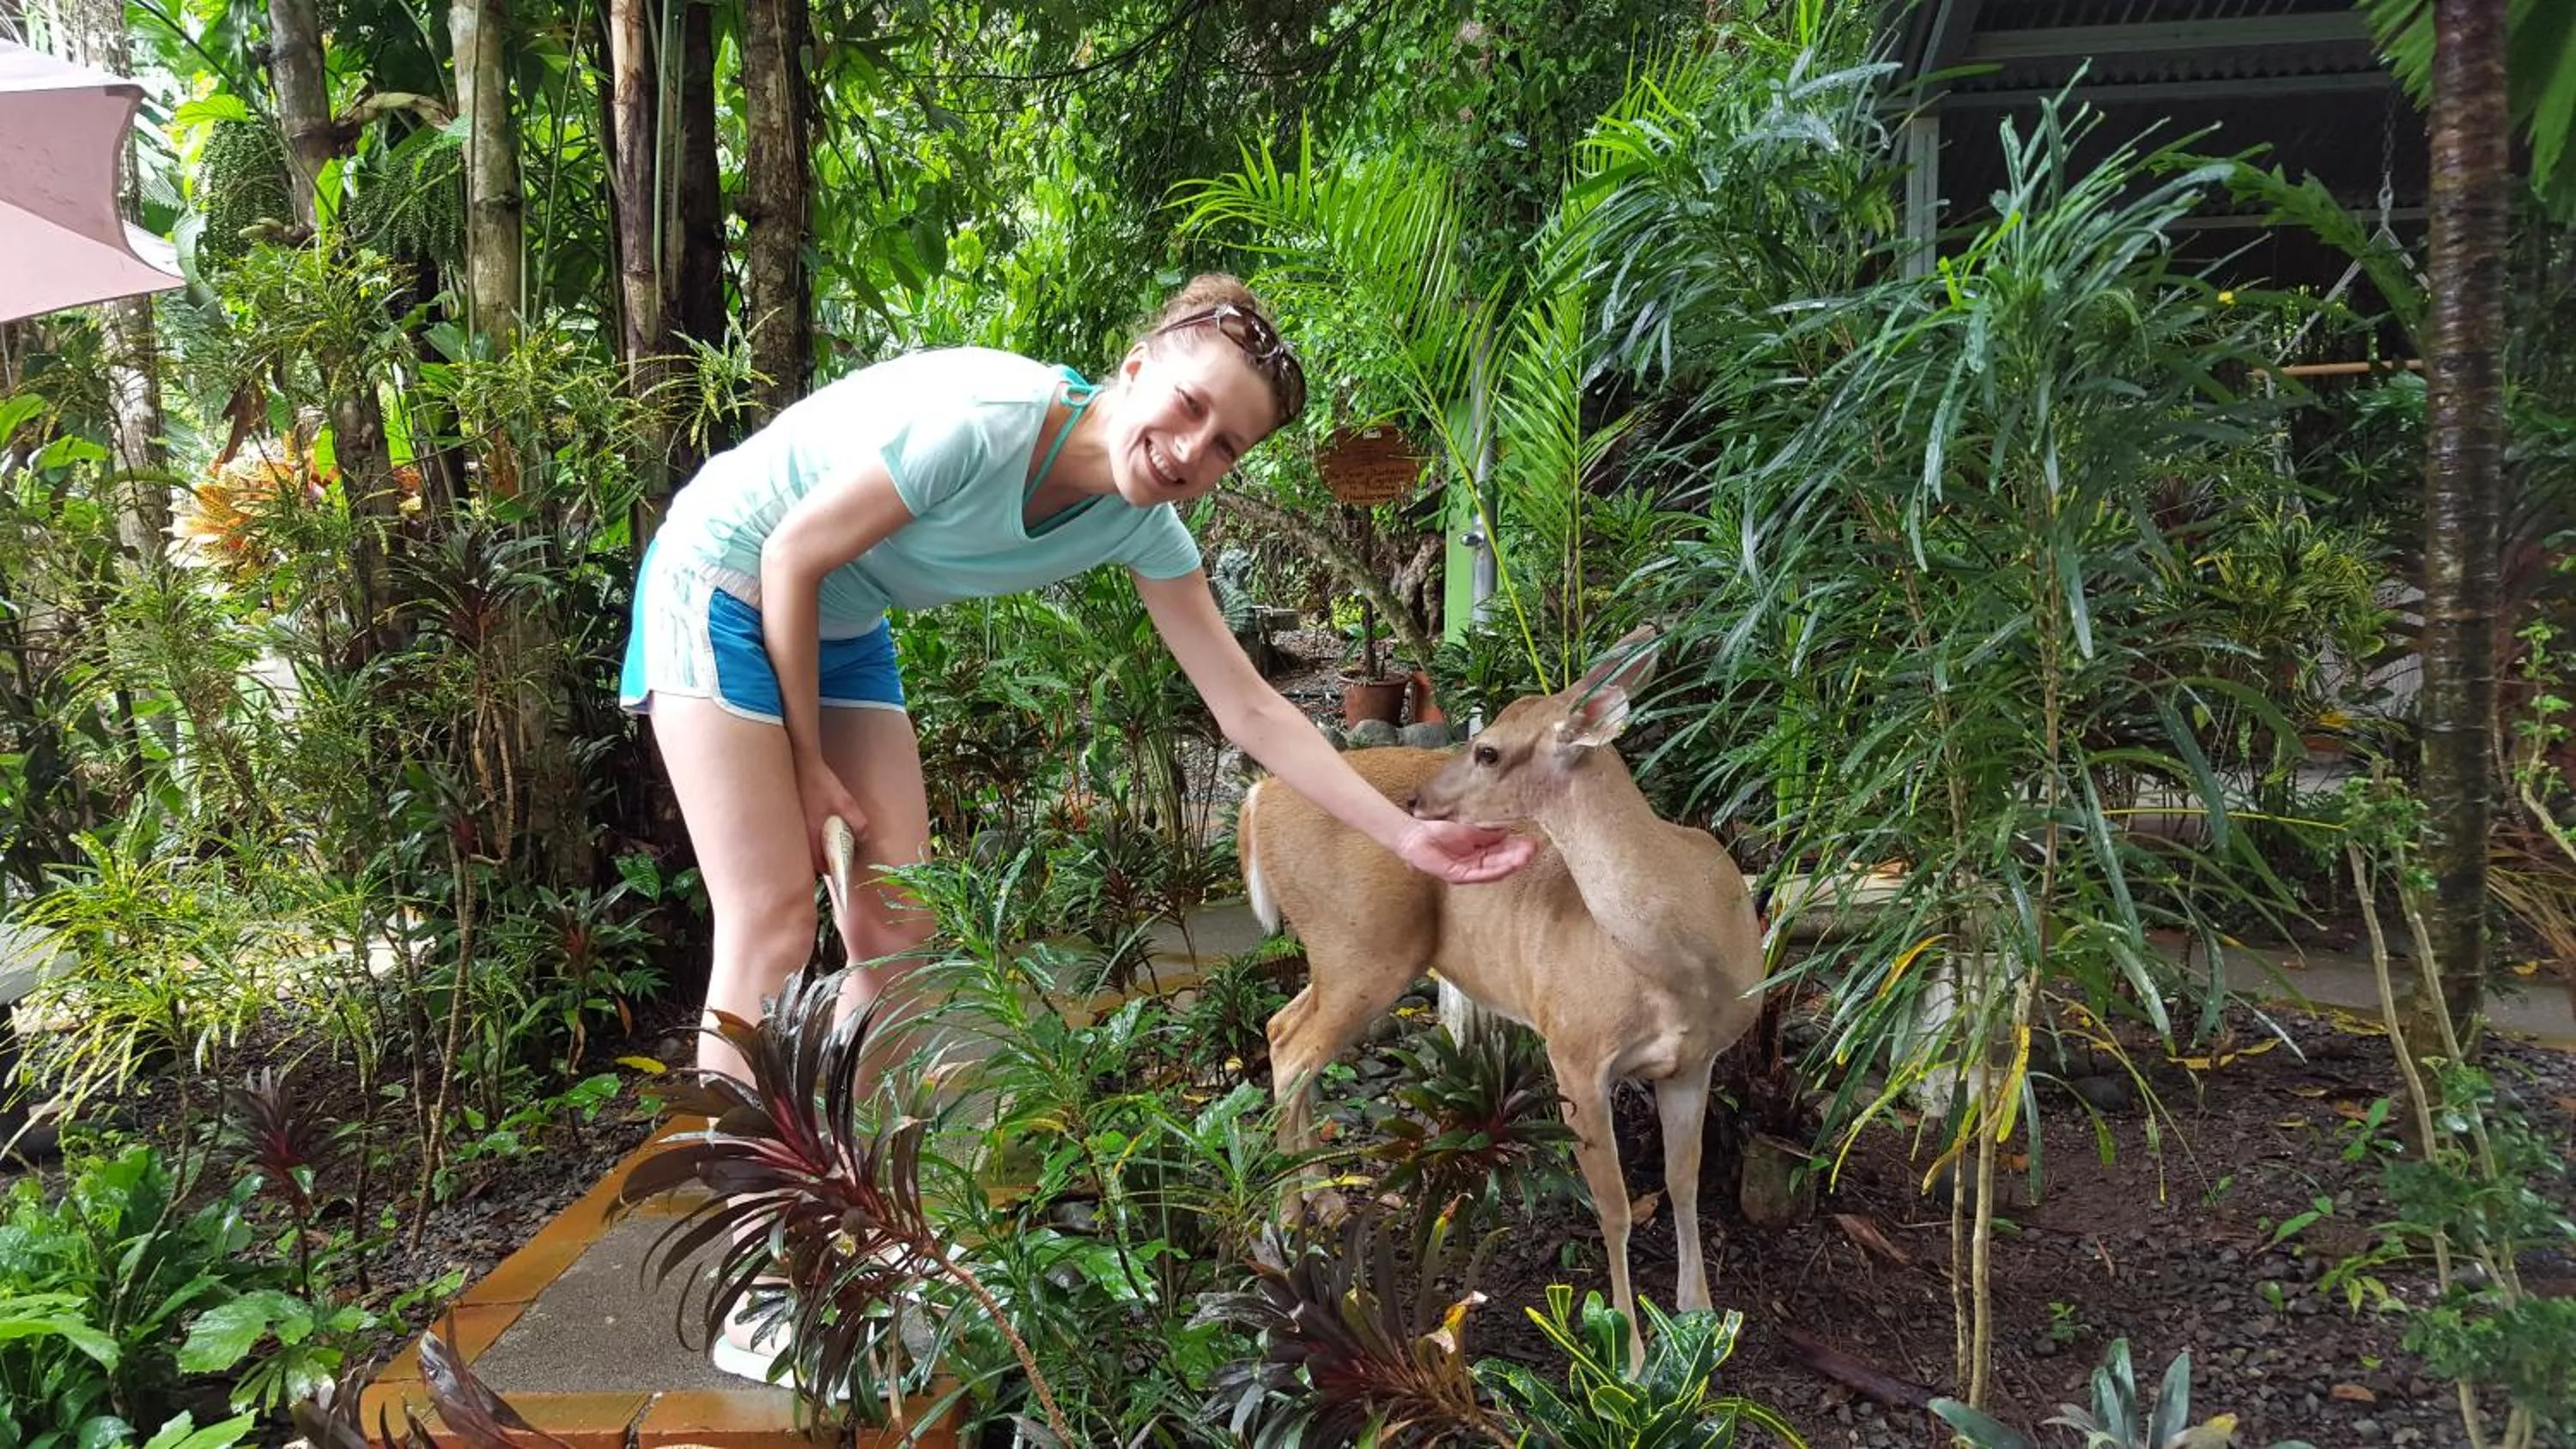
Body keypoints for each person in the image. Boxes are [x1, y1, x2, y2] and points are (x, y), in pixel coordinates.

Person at [618, 275, 1535, 1372]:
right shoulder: (993, 425)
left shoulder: (1145, 523)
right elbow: (789, 554)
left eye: (1229, 446)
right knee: (769, 919)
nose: (1195, 449)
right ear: (1137, 363)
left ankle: (858, 1218)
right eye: (1192, 406)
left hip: (841, 609)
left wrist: (1409, 833)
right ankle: (756, 1269)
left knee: (902, 934)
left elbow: (1247, 706)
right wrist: (810, 766)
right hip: (731, 572)